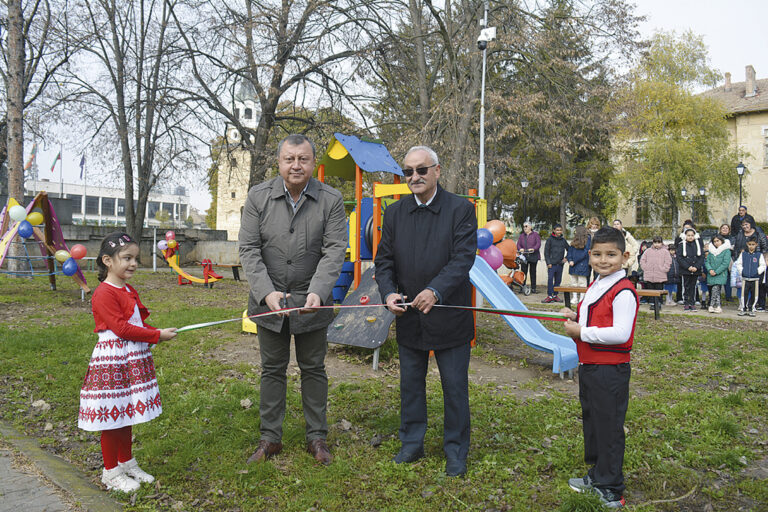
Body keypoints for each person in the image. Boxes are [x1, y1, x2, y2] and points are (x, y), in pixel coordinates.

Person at [239, 134, 347, 466]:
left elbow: (334, 251)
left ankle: (317, 437)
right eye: (289, 159)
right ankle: (270, 438)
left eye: (303, 159)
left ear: (314, 163)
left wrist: (318, 290)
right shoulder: (258, 197)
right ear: (279, 162)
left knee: (313, 368)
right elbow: (249, 249)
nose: (296, 165)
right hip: (267, 302)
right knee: (272, 369)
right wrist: (265, 292)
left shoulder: (331, 200)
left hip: (312, 301)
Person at [375, 145, 476, 477]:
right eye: (408, 172)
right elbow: (384, 261)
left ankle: (456, 450)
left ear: (437, 170)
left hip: (449, 315)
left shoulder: (461, 209)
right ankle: (412, 443)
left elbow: (463, 259)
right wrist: (389, 293)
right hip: (409, 317)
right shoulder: (394, 213)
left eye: (421, 170)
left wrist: (435, 290)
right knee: (411, 384)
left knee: (454, 386)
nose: (414, 177)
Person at [78, 232, 177, 493]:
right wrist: (156, 335)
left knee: (126, 411)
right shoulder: (103, 293)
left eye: (136, 258)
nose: (133, 263)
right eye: (127, 258)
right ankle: (110, 471)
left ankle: (126, 462)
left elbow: (136, 324)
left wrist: (156, 332)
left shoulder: (128, 288)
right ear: (107, 260)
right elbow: (121, 329)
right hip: (113, 362)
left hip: (131, 359)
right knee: (112, 416)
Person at [561, 227, 638, 509]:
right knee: (593, 422)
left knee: (609, 427)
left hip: (610, 371)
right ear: (589, 255)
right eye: (597, 254)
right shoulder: (598, 283)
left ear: (624, 256)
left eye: (611, 255)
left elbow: (620, 333)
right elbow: (593, 313)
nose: (603, 260)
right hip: (590, 366)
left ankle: (612, 489)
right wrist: (575, 315)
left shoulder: (624, 291)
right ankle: (598, 474)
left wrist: (582, 331)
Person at [638, 236, 672, 312]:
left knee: (659, 289)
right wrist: (645, 268)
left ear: (661, 243)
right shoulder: (648, 251)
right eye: (655, 242)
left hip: (660, 274)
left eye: (658, 242)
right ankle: (652, 303)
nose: (657, 244)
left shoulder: (665, 251)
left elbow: (668, 261)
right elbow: (642, 260)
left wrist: (664, 269)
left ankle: (658, 303)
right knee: (651, 290)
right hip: (649, 274)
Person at [734, 236, 766, 317]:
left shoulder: (759, 255)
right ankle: (743, 309)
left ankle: (751, 308)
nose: (751, 246)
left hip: (755, 279)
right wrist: (742, 271)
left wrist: (757, 272)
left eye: (753, 244)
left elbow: (763, 265)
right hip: (745, 278)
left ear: (756, 245)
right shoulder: (743, 254)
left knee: (754, 294)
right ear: (747, 244)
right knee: (744, 294)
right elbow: (738, 264)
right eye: (750, 244)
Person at [677, 228, 705, 312]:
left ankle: (692, 303)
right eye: (688, 235)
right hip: (686, 270)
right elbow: (680, 258)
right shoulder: (681, 245)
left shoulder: (698, 244)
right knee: (686, 287)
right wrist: (688, 267)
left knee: (693, 287)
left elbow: (701, 257)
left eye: (692, 235)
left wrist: (696, 267)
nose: (690, 237)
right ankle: (686, 303)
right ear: (685, 236)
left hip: (695, 270)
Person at [706, 234, 731, 313]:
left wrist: (716, 271)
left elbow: (725, 263)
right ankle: (716, 305)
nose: (716, 243)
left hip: (720, 274)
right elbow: (707, 261)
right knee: (713, 290)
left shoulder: (726, 251)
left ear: (722, 241)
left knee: (715, 289)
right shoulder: (711, 251)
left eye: (718, 241)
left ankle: (713, 305)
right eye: (714, 241)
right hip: (711, 274)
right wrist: (710, 269)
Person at [543, 224, 569, 303]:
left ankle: (555, 295)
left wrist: (566, 258)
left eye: (560, 230)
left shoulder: (563, 240)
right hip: (551, 264)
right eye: (557, 230)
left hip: (560, 264)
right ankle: (549, 296)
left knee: (558, 280)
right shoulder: (550, 240)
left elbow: (570, 250)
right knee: (550, 279)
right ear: (554, 230)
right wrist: (548, 262)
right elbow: (546, 252)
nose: (559, 232)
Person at [567, 225, 591, 302]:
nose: (574, 232)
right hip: (573, 265)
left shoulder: (588, 240)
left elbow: (585, 253)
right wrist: (570, 259)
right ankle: (574, 298)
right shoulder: (574, 241)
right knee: (573, 282)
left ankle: (582, 298)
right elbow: (569, 251)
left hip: (582, 264)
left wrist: (575, 261)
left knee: (582, 283)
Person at [517, 221, 541, 294]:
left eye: (526, 226)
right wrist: (520, 248)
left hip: (533, 256)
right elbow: (518, 244)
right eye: (524, 226)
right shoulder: (522, 236)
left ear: (530, 227)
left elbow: (538, 244)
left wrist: (533, 249)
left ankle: (533, 288)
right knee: (523, 273)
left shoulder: (536, 235)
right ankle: (522, 287)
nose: (525, 228)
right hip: (524, 256)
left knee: (533, 272)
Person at [718, 224, 734, 302]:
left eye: (726, 228)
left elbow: (734, 248)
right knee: (719, 278)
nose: (724, 229)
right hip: (718, 260)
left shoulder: (732, 238)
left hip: (729, 260)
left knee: (728, 278)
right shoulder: (716, 238)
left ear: (729, 230)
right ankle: (718, 296)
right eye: (723, 228)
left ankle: (728, 296)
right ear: (720, 229)